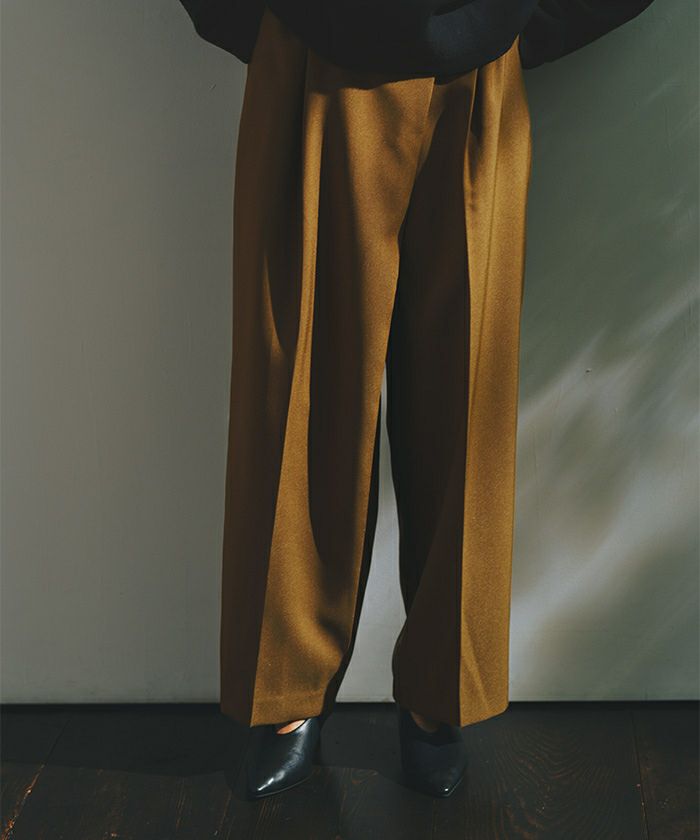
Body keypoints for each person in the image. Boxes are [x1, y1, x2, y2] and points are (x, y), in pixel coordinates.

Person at [179, 0, 656, 800]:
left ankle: (441, 696)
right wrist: (259, 20)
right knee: (301, 391)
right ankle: (288, 693)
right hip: (314, 49)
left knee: (465, 396)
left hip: (479, 62)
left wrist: (524, 19)